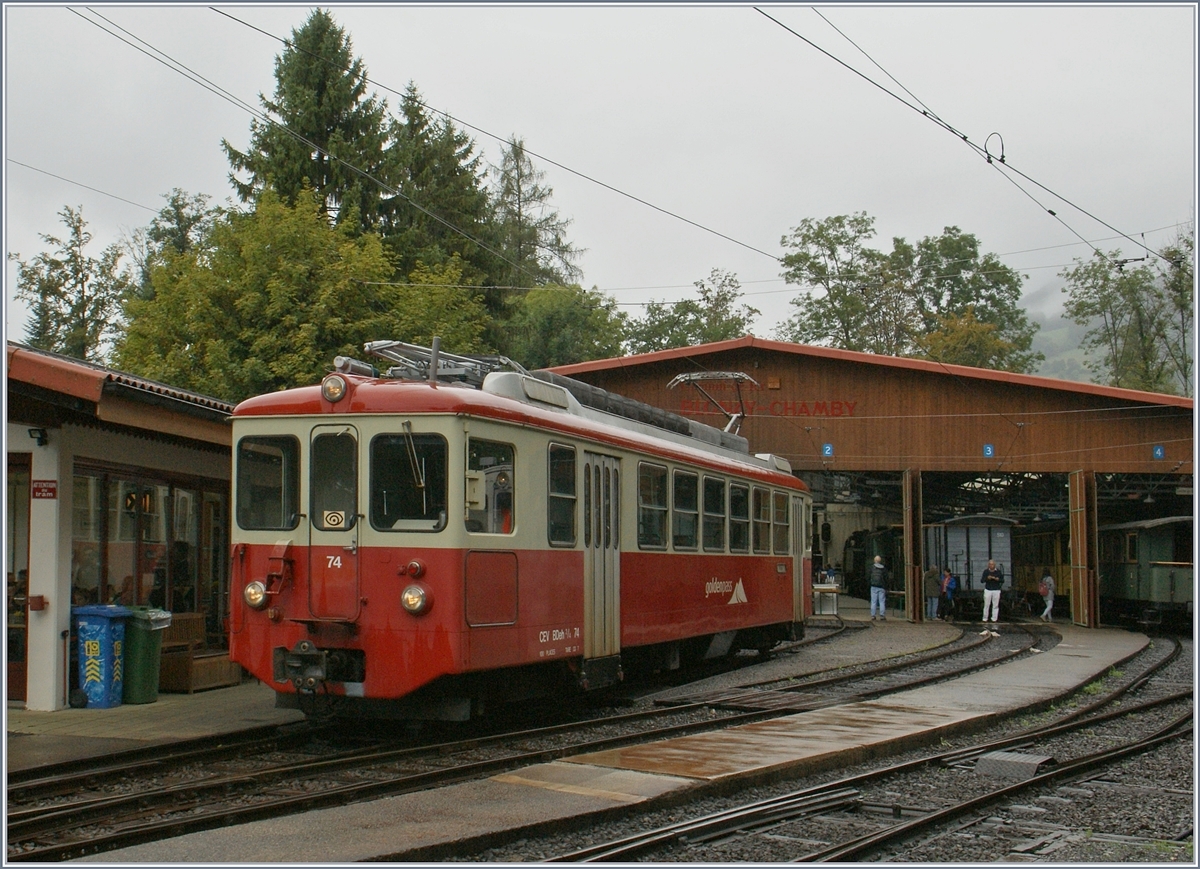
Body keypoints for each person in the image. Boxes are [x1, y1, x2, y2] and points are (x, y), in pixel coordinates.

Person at [980, 559, 1004, 635]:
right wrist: (988, 578)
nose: (991, 566)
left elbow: (1002, 580)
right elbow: (982, 580)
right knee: (986, 605)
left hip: (996, 590)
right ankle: (985, 618)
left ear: (995, 565)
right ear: (988, 565)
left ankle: (994, 618)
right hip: (988, 589)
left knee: (995, 605)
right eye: (990, 564)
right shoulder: (986, 572)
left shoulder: (998, 572)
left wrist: (997, 579)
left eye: (993, 564)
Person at [868, 555, 889, 621]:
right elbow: (886, 578)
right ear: (880, 561)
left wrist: (870, 583)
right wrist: (886, 586)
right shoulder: (884, 569)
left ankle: (873, 616)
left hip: (873, 586)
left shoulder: (871, 568)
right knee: (882, 601)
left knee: (873, 601)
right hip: (882, 587)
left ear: (874, 560)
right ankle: (882, 616)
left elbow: (868, 577)